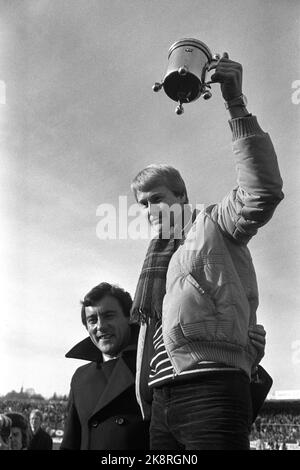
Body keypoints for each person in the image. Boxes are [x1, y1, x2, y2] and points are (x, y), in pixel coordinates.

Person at [130, 52, 283, 450]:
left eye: (157, 198)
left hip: (211, 387)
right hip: (161, 396)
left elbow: (262, 192)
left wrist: (236, 103)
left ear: (182, 195)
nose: (149, 210)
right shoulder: (156, 257)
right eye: (142, 204)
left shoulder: (214, 223)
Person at [61, 282, 149, 450]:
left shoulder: (150, 365)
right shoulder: (80, 377)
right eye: (92, 320)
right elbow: (70, 443)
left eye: (108, 315)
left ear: (129, 317)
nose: (100, 326)